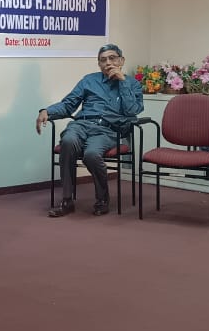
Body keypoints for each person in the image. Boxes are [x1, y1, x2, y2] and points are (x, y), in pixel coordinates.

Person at [37, 44, 144, 217]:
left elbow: (132, 110)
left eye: (112, 58)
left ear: (121, 61)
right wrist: (47, 112)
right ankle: (67, 200)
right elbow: (69, 104)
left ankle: (102, 199)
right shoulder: (89, 80)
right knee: (68, 141)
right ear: (99, 64)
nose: (108, 63)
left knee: (91, 154)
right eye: (103, 60)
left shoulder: (133, 84)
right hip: (82, 124)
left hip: (107, 130)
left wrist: (122, 82)